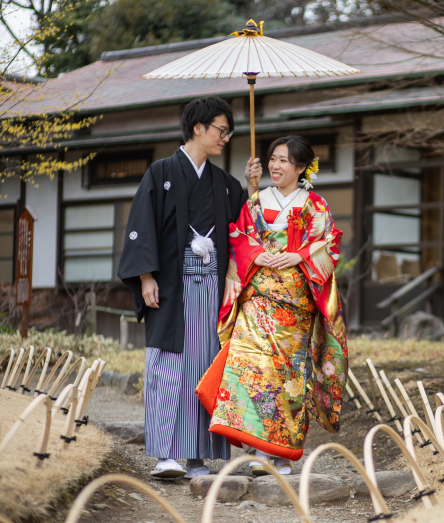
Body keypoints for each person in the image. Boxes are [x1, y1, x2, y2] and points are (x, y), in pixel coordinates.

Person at [118, 97, 262, 479]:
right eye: (221, 130)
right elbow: (141, 225)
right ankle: (166, 453)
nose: (226, 138)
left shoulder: (225, 185)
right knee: (168, 367)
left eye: (229, 132)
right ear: (198, 128)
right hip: (170, 287)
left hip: (212, 290)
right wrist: (145, 275)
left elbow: (246, 231)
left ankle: (198, 457)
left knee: (205, 366)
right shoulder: (161, 172)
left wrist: (251, 188)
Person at [196, 135, 348, 476]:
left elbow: (330, 243)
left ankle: (282, 452)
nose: (276, 166)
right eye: (273, 159)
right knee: (251, 369)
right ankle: (257, 449)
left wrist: (300, 253)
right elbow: (237, 236)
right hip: (258, 300)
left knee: (288, 375)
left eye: (284, 160)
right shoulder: (255, 202)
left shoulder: (314, 205)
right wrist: (254, 252)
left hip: (294, 305)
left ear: (300, 167)